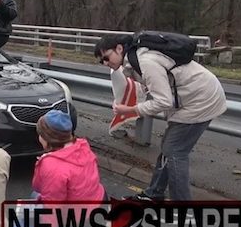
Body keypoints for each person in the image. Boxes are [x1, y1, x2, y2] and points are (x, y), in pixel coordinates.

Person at [94, 35, 227, 201]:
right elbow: (150, 87)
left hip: (201, 100)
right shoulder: (132, 60)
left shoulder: (145, 62)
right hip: (190, 98)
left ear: (119, 49)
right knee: (168, 147)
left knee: (175, 152)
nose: (106, 63)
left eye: (106, 57)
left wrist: (131, 110)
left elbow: (163, 101)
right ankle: (154, 192)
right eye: (101, 61)